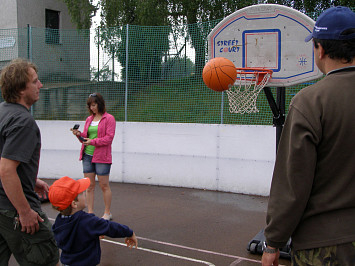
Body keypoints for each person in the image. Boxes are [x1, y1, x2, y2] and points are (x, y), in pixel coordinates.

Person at [261, 6, 355, 266]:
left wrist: (273, 242)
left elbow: (293, 183)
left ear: (321, 49)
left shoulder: (310, 103)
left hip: (323, 246)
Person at [0, 58, 59, 265]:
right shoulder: (23, 121)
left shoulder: (2, 111)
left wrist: (30, 180)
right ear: (21, 89)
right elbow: (6, 171)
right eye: (35, 81)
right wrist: (25, 212)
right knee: (46, 259)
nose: (40, 85)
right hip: (15, 211)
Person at [48, 176, 138, 266]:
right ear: (74, 204)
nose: (85, 195)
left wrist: (91, 233)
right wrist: (129, 232)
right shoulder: (88, 221)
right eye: (82, 193)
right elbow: (110, 227)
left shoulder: (59, 222)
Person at [71, 92, 116, 220]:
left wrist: (93, 141)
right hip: (87, 156)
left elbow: (109, 138)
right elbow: (85, 137)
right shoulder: (89, 119)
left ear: (100, 104)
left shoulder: (109, 119)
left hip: (102, 156)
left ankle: (107, 212)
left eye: (94, 105)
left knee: (104, 185)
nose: (92, 108)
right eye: (90, 106)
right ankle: (90, 212)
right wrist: (78, 134)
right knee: (89, 186)